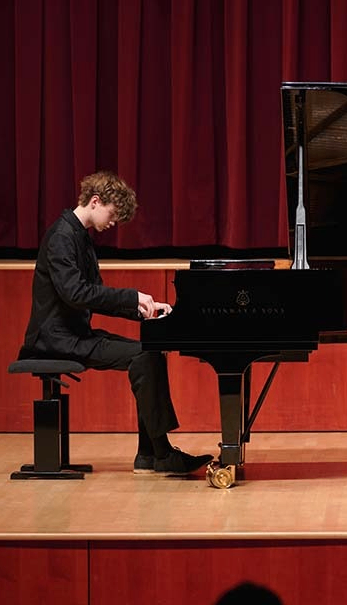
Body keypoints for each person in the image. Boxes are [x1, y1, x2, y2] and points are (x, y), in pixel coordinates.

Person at [18, 170, 213, 475]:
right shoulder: (61, 237)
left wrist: (142, 309)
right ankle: (161, 454)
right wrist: (132, 297)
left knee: (148, 351)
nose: (114, 222)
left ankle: (149, 455)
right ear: (95, 201)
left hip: (74, 334)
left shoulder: (79, 237)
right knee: (142, 355)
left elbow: (93, 295)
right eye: (112, 214)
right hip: (54, 338)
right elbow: (76, 293)